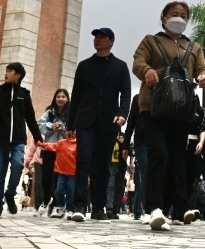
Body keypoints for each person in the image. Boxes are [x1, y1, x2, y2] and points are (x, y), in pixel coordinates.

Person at [132, 1, 205, 231]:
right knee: (160, 153)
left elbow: (204, 68)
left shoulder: (193, 47)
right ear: (163, 18)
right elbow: (138, 62)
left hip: (182, 110)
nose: (179, 18)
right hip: (154, 107)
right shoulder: (150, 41)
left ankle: (173, 208)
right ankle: (154, 208)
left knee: (177, 157)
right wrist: (147, 71)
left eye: (184, 15)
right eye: (174, 14)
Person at [67, 27, 131, 223]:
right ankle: (79, 205)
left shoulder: (120, 66)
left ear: (112, 41)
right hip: (85, 121)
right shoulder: (84, 66)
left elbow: (126, 93)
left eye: (102, 37)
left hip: (109, 122)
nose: (98, 40)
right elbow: (76, 96)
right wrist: (71, 124)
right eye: (96, 37)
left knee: (103, 165)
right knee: (83, 160)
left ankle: (98, 208)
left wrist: (122, 114)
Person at [0, 62, 43, 218]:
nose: (6, 73)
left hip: (18, 140)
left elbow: (31, 118)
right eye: (6, 70)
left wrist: (37, 137)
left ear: (17, 75)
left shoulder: (24, 94)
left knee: (18, 166)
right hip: (0, 140)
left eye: (10, 71)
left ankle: (10, 194)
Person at [36, 88, 70, 216]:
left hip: (63, 150)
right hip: (49, 148)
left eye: (63, 97)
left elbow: (72, 132)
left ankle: (57, 204)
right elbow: (39, 125)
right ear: (55, 98)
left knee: (58, 179)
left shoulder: (71, 113)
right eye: (58, 97)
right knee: (46, 177)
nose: (60, 99)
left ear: (67, 99)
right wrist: (51, 126)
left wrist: (62, 129)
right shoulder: (49, 112)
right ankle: (46, 199)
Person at [39, 134, 77, 218]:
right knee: (58, 191)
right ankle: (61, 206)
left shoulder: (78, 145)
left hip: (73, 174)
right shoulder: (61, 143)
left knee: (71, 191)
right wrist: (40, 143)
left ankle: (70, 209)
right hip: (61, 173)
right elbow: (50, 145)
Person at [123, 94, 147, 220]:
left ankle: (154, 208)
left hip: (158, 140)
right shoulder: (138, 98)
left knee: (156, 174)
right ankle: (147, 209)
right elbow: (131, 121)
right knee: (145, 172)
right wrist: (126, 145)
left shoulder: (162, 92)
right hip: (141, 141)